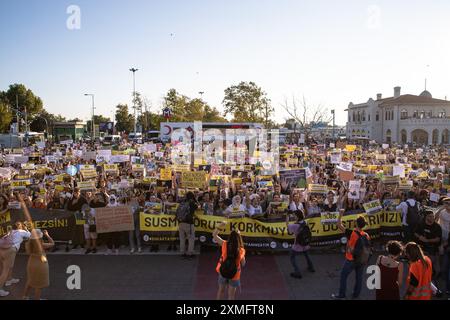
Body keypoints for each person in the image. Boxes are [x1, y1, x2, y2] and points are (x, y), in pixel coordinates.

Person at [331, 211, 370, 300]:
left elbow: (338, 224)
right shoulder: (366, 235)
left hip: (351, 259)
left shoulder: (351, 233)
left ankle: (341, 295)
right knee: (359, 277)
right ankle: (356, 294)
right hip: (361, 259)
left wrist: (341, 214)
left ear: (356, 223)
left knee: (343, 276)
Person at [213, 221, 246, 300]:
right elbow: (243, 263)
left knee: (220, 291)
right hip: (234, 274)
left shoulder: (224, 244)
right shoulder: (241, 250)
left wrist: (220, 225)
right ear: (239, 238)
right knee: (231, 295)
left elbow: (214, 235)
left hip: (223, 271)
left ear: (230, 237)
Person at [0, 221, 31, 297]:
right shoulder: (21, 231)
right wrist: (26, 228)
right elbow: (30, 235)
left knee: (8, 267)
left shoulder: (11, 231)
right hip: (11, 250)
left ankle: (9, 279)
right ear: (20, 226)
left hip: (2, 249)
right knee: (5, 270)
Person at [23, 229, 54, 300]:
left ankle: (24, 296)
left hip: (31, 264)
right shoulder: (42, 245)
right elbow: (52, 243)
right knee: (39, 285)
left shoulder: (28, 244)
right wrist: (47, 235)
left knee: (30, 281)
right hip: (40, 265)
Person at [286, 211, 315, 279]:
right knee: (307, 255)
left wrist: (287, 216)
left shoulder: (295, 225)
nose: (293, 217)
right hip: (305, 242)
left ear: (297, 216)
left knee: (292, 257)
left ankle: (297, 272)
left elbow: (287, 225)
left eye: (294, 215)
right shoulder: (304, 222)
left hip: (298, 244)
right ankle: (311, 267)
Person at [414, 210, 442, 280]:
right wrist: (419, 237)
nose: (432, 218)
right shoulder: (420, 224)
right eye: (430, 216)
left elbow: (438, 239)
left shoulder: (437, 226)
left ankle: (433, 279)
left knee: (437, 269)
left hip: (433, 249)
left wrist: (427, 240)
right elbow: (415, 232)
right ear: (425, 217)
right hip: (422, 249)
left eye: (433, 216)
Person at [178, 192, 199, 259]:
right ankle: (190, 253)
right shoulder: (192, 203)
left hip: (180, 222)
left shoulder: (182, 202)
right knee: (191, 238)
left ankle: (182, 252)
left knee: (182, 239)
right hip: (189, 223)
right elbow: (198, 207)